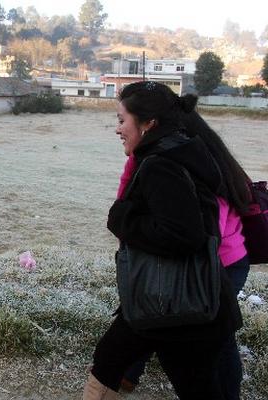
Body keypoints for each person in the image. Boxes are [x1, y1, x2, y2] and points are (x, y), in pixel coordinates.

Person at [82, 81, 243, 400]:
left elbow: (183, 235)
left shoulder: (162, 165)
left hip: (173, 303)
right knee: (111, 360)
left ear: (148, 124)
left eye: (121, 120)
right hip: (184, 300)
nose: (118, 129)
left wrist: (121, 218)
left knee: (113, 363)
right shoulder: (179, 153)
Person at [119, 104, 252, 400]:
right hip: (229, 260)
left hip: (212, 264)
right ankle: (126, 374)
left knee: (204, 334)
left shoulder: (182, 163)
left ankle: (126, 374)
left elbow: (200, 230)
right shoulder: (212, 156)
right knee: (204, 330)